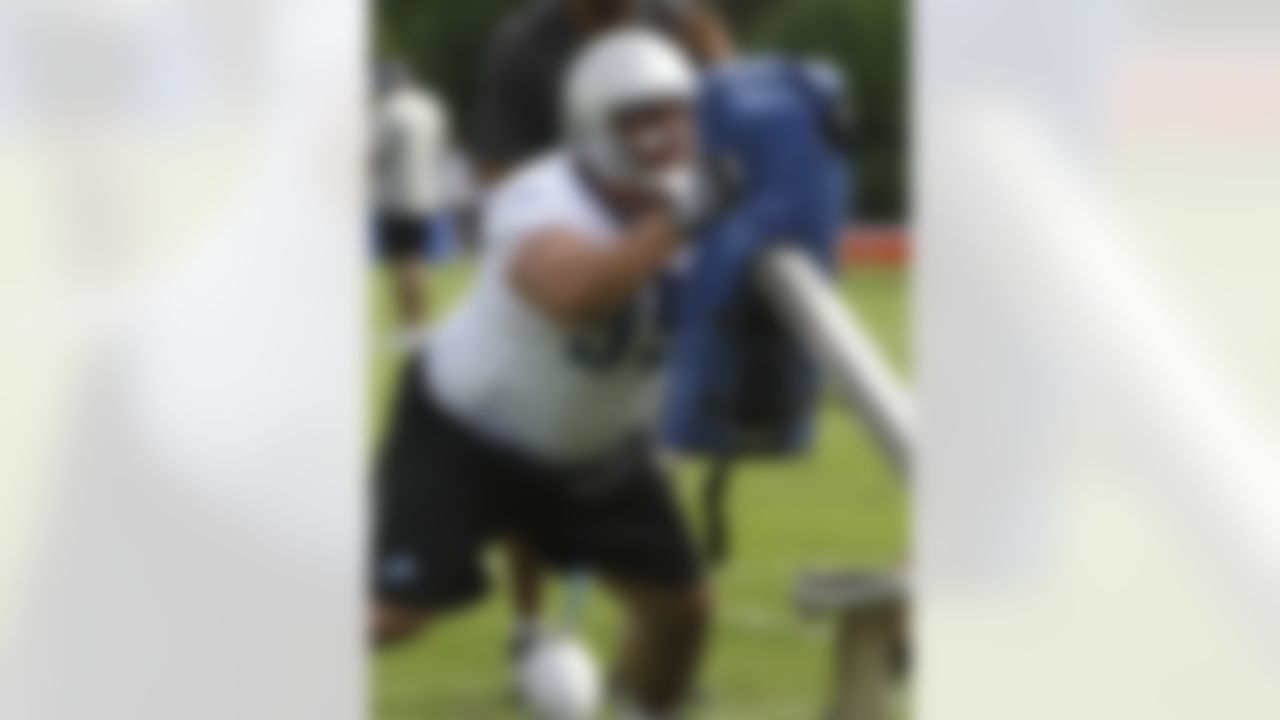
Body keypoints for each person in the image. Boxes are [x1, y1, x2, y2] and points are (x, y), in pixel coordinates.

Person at [373, 30, 718, 720]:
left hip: (597, 448)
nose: (663, 134)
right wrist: (679, 219)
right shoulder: (540, 195)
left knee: (681, 611)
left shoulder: (704, 204)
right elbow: (574, 296)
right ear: (594, 122)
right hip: (466, 434)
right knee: (393, 618)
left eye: (674, 112)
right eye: (640, 117)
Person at [473, 0, 733, 660]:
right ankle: (530, 626)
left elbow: (739, 121)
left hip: (664, 253)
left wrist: (718, 55)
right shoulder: (526, 43)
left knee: (649, 453)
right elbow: (499, 171)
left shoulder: (674, 28)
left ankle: (643, 645)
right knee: (533, 450)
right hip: (562, 256)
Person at [372, 62, 450, 335]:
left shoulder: (390, 112)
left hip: (397, 195)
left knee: (403, 260)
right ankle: (419, 320)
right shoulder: (430, 109)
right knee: (417, 258)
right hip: (428, 192)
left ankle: (411, 323)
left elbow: (377, 153)